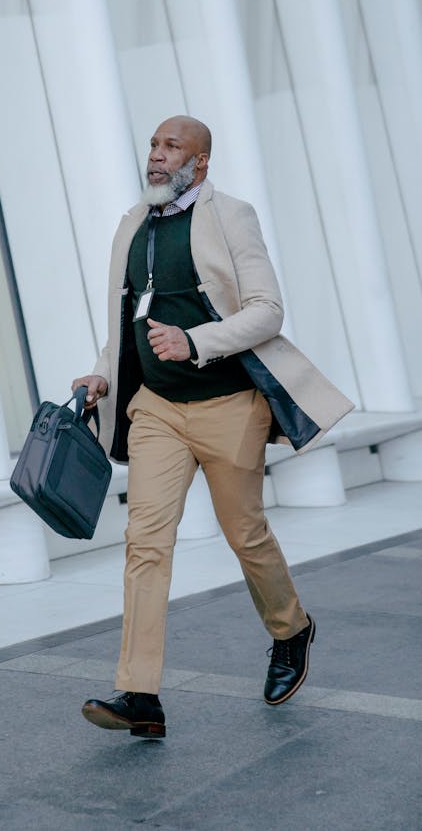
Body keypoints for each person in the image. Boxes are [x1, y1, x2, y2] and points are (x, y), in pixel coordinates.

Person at [73, 115, 353, 739]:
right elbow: (126, 327)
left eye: (171, 147)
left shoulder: (231, 216)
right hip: (156, 409)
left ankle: (291, 629)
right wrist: (100, 375)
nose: (156, 155)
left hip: (229, 404)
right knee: (145, 544)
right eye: (152, 144)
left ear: (199, 163)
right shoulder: (131, 226)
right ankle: (139, 694)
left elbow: (267, 311)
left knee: (245, 534)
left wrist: (194, 340)